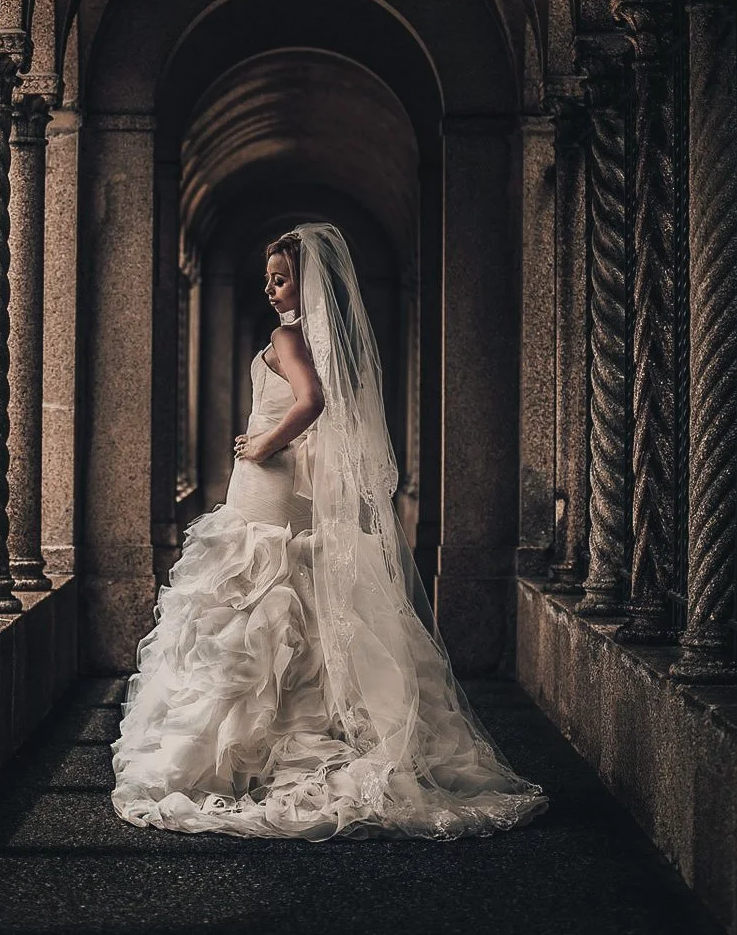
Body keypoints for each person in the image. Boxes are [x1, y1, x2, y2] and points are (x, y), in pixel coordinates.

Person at [111, 222, 546, 839]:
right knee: (292, 592)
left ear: (308, 281)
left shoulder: (289, 338)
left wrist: (260, 442)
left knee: (255, 590)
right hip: (286, 482)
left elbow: (309, 402)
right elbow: (320, 408)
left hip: (269, 478)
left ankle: (247, 751)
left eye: (281, 278)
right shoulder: (322, 341)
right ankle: (301, 733)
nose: (271, 289)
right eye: (267, 280)